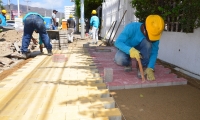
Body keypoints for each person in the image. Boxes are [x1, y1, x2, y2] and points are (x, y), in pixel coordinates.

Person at [114, 15, 164, 81]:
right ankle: (128, 63)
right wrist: (130, 50)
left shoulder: (155, 34)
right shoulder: (131, 27)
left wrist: (150, 67)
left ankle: (142, 66)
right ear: (144, 29)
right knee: (119, 59)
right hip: (127, 48)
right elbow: (118, 42)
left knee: (148, 43)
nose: (153, 39)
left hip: (141, 50)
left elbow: (154, 52)